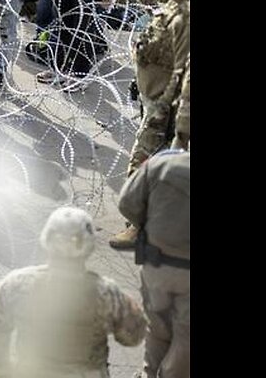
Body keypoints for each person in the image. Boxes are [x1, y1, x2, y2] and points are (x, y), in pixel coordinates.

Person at [0, 207, 146, 377]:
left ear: (47, 239)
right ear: (89, 245)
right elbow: (133, 337)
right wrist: (131, 310)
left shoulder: (15, 284)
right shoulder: (106, 293)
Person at [110, 0, 189, 250]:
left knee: (142, 164)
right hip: (153, 98)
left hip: (165, 108)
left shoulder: (185, 19)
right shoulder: (172, 8)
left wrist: (172, 111)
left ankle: (139, 227)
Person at [118, 148, 190, 377]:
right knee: (185, 335)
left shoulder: (161, 163)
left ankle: (149, 374)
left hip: (155, 266)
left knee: (157, 328)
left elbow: (126, 203)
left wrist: (147, 223)